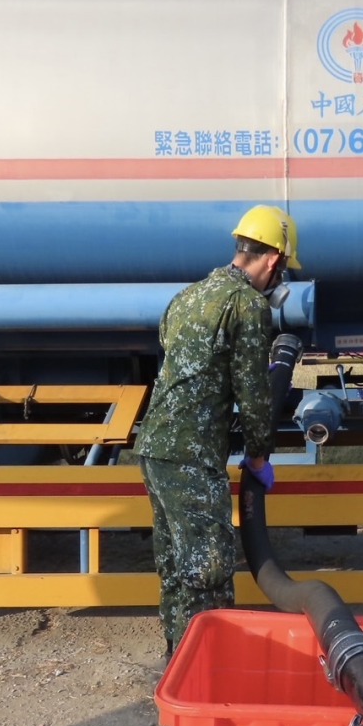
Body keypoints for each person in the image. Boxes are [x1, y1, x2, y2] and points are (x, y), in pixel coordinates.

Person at [134, 204, 301, 659]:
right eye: (283, 268)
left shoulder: (187, 296)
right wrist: (259, 456)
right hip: (191, 455)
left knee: (176, 568)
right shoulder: (247, 303)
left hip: (155, 447)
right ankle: (207, 673)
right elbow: (253, 393)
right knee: (208, 570)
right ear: (274, 259)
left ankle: (178, 663)